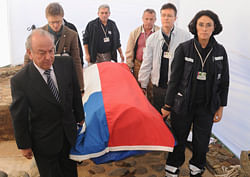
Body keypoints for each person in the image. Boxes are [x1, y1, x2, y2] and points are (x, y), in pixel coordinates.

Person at [161, 10, 229, 177]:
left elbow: (224, 82)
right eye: (201, 24)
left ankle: (196, 168)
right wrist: (167, 106)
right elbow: (174, 81)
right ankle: (172, 167)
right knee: (179, 138)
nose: (204, 29)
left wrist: (221, 107)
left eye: (208, 25)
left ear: (215, 28)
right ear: (195, 26)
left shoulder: (220, 51)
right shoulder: (184, 49)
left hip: (207, 107)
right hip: (183, 105)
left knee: (201, 142)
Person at [10, 29, 85, 177]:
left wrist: (80, 116)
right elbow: (19, 116)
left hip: (68, 135)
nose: (48, 57)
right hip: (43, 142)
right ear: (29, 53)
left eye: (51, 51)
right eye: (41, 53)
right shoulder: (20, 81)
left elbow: (75, 92)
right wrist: (24, 145)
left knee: (70, 172)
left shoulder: (66, 63)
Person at [138, 3, 190, 113]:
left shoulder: (185, 37)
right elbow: (147, 63)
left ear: (175, 18)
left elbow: (188, 65)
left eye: (169, 16)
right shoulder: (152, 38)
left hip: (177, 87)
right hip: (159, 86)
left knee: (176, 118)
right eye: (164, 15)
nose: (166, 18)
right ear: (160, 17)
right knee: (158, 116)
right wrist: (143, 84)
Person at [24, 2, 84, 91]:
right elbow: (28, 58)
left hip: (64, 78)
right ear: (47, 18)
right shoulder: (38, 33)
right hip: (44, 77)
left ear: (63, 17)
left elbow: (76, 60)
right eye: (52, 22)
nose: (55, 25)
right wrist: (26, 79)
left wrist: (81, 86)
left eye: (58, 22)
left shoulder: (72, 34)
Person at [125, 9, 159, 102]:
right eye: (146, 19)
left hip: (154, 65)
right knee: (139, 90)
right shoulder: (135, 32)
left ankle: (153, 112)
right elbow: (129, 51)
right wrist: (129, 66)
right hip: (138, 65)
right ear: (142, 19)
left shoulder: (159, 32)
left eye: (151, 19)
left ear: (155, 19)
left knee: (152, 90)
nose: (149, 21)